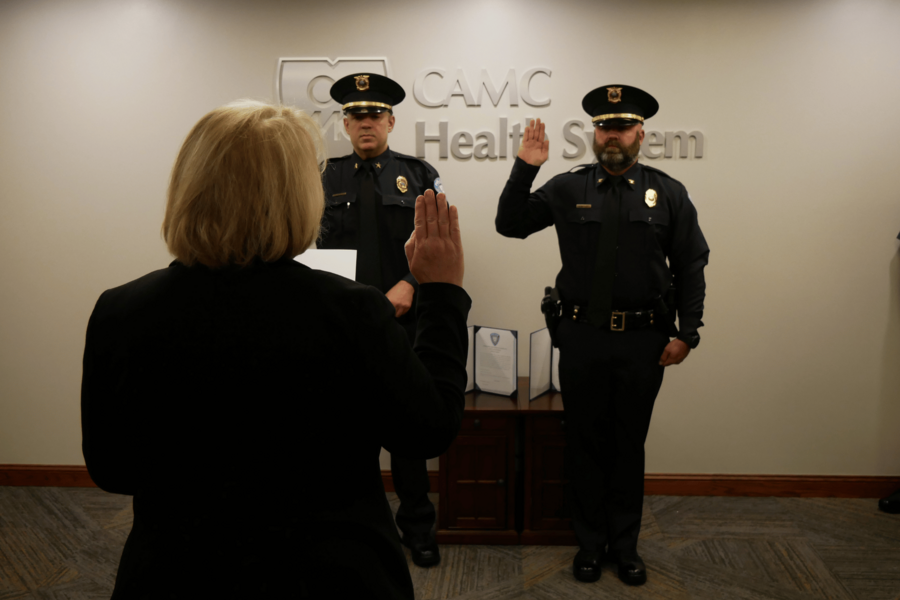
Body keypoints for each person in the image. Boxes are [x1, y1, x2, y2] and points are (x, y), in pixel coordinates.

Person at [81, 100, 469, 599]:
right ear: (300, 195)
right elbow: (429, 428)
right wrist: (442, 294)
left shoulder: (120, 311)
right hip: (331, 577)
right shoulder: (350, 313)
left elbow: (112, 468)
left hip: (176, 574)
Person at [495, 85, 709, 586]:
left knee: (628, 443)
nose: (612, 135)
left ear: (640, 133)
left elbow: (692, 264)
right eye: (603, 127)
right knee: (586, 442)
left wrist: (689, 332)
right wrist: (525, 167)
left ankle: (626, 546)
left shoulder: (668, 192)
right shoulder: (569, 188)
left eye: (622, 126)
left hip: (643, 340)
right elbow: (509, 224)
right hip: (583, 337)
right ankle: (589, 545)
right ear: (594, 133)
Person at [317, 73, 445, 567]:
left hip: (403, 322)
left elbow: (438, 241)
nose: (366, 123)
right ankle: (355, 529)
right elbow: (305, 248)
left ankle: (418, 527)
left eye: (375, 115)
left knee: (408, 430)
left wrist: (411, 284)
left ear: (391, 121)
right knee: (345, 435)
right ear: (345, 124)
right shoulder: (322, 177)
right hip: (341, 327)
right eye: (356, 116)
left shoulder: (418, 174)